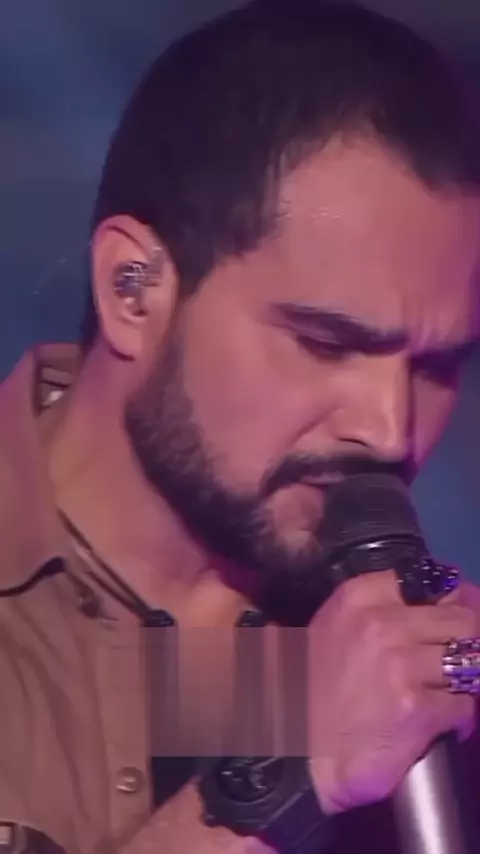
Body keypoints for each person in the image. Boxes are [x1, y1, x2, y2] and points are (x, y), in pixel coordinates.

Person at [2, 0, 480, 851]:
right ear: (133, 289)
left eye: (436, 367)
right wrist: (291, 775)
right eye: (326, 344)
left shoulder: (410, 662)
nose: (389, 429)